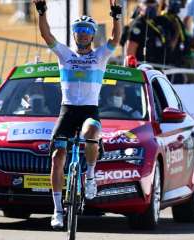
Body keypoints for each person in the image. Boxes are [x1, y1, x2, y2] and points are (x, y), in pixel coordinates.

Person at [33, 0, 121, 229]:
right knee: (57, 157)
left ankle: (90, 176)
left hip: (89, 110)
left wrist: (116, 17)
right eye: (79, 31)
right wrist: (42, 11)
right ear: (74, 34)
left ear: (92, 35)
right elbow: (46, 35)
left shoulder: (100, 56)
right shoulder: (65, 55)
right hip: (68, 110)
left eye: (86, 31)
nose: (82, 35)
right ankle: (58, 210)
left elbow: (115, 39)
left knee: (92, 131)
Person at [125, 0, 175, 66]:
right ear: (141, 6)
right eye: (148, 3)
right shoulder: (138, 25)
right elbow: (130, 53)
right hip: (142, 69)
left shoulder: (160, 22)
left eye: (153, 3)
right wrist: (132, 70)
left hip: (159, 67)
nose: (151, 6)